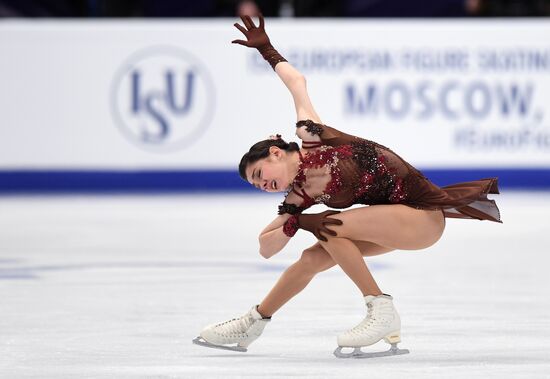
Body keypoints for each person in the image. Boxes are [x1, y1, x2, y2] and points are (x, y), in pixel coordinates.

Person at [193, 15, 502, 359]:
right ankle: (253, 322)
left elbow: (297, 81)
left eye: (260, 174)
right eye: (257, 186)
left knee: (330, 225)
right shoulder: (298, 195)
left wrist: (266, 49)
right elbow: (267, 249)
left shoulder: (312, 135)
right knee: (312, 256)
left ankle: (380, 309)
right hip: (397, 224)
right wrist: (294, 221)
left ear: (276, 153)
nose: (263, 185)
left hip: (424, 217)